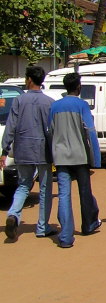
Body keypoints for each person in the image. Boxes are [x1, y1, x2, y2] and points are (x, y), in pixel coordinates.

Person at [1, 65, 57, 241]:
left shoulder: (19, 101)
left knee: (24, 185)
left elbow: (10, 126)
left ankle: (14, 215)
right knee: (45, 188)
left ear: (29, 80)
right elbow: (53, 130)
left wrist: (4, 150)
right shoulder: (49, 102)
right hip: (43, 150)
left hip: (23, 149)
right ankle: (42, 227)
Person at [48, 72, 101, 248]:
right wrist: (96, 157)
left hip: (61, 158)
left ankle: (65, 237)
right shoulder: (82, 105)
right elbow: (90, 131)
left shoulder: (55, 107)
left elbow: (50, 132)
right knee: (85, 192)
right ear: (78, 87)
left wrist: (51, 155)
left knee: (64, 195)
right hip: (81, 156)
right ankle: (88, 225)